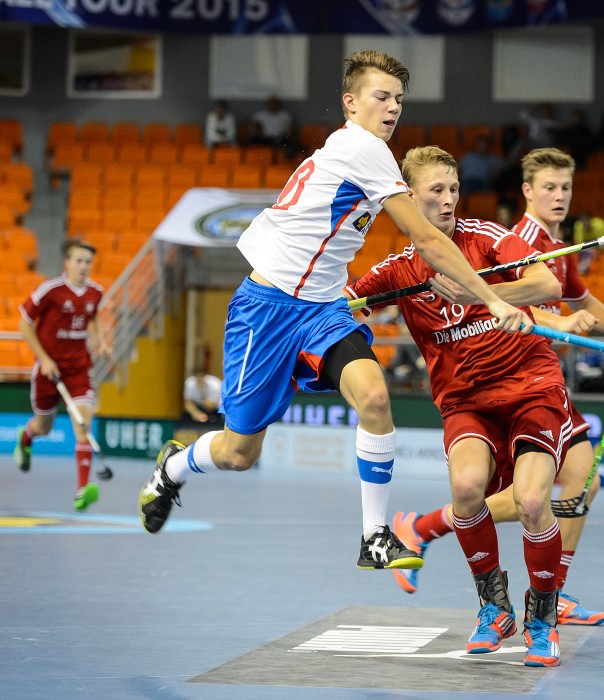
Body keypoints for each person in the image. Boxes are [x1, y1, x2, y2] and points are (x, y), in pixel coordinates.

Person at [136, 50, 530, 573]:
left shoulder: (363, 153)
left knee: (373, 396)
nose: (392, 108)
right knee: (237, 453)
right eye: (381, 96)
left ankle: (374, 536)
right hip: (268, 308)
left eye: (399, 100)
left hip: (323, 306)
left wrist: (349, 292)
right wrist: (493, 296)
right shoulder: (363, 148)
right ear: (351, 102)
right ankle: (173, 469)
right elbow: (426, 237)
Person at [386, 147, 604, 631]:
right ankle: (427, 528)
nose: (560, 197)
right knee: (557, 488)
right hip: (506, 378)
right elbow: (514, 305)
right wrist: (560, 319)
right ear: (527, 191)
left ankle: (551, 588)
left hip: (531, 377)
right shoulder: (520, 236)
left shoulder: (553, 239)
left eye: (566, 188)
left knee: (580, 481)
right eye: (549, 187)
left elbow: (574, 293)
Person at [348, 145, 568, 667]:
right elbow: (346, 302)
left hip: (529, 382)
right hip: (465, 398)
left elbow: (547, 283)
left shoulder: (487, 238)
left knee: (534, 502)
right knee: (467, 490)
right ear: (407, 199)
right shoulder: (397, 270)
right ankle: (494, 608)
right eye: (436, 192)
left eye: (453, 190)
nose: (449, 201)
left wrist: (488, 296)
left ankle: (542, 617)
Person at [14, 239, 111, 511]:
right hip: (48, 370)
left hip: (78, 369)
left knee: (83, 423)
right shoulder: (50, 291)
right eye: (78, 261)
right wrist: (44, 359)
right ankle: (26, 437)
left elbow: (90, 318)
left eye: (88, 262)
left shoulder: (96, 292)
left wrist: (99, 341)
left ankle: (82, 491)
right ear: (67, 263)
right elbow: (25, 324)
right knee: (43, 427)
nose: (83, 266)